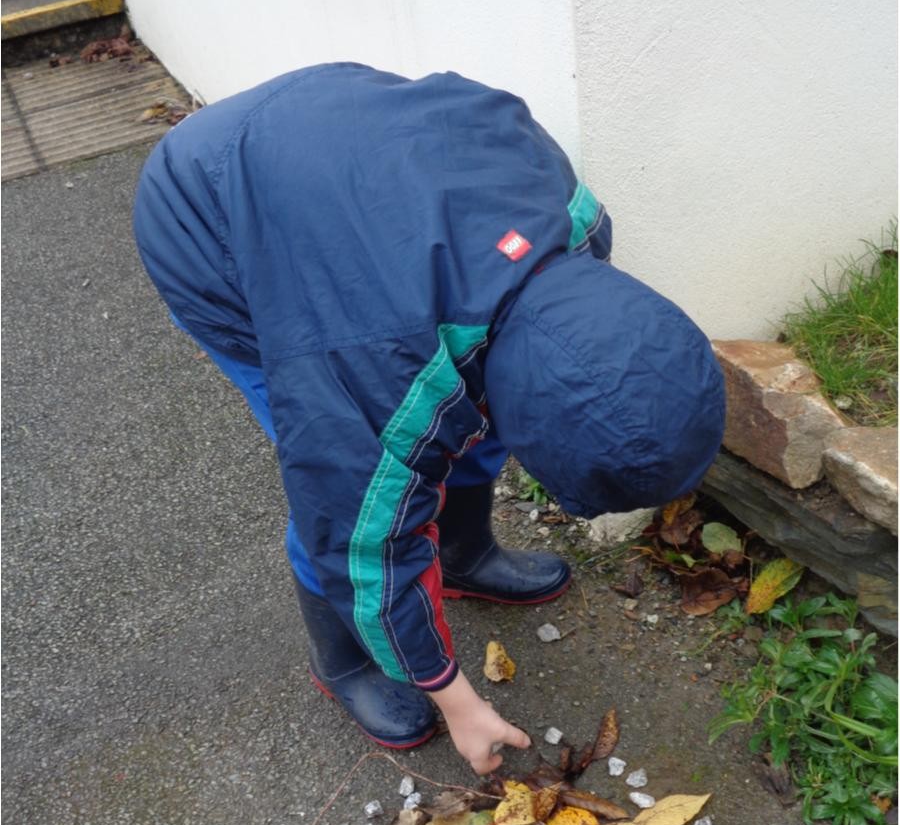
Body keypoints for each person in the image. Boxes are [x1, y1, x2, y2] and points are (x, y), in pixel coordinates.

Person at [133, 63, 725, 775]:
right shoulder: (375, 363)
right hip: (204, 218)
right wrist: (455, 699)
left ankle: (461, 555)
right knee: (341, 493)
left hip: (340, 158)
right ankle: (343, 662)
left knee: (473, 410)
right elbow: (355, 529)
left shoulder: (577, 227)